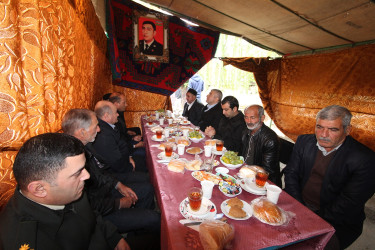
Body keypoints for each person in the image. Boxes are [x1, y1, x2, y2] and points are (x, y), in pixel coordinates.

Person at [0, 133, 129, 250]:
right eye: (77, 173)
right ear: (40, 189)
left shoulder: (71, 189)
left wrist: (114, 237)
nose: (87, 176)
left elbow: (91, 215)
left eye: (83, 168)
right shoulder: (24, 239)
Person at [62, 109, 160, 249]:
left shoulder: (86, 146)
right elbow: (88, 206)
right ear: (81, 132)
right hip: (101, 213)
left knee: (147, 188)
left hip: (105, 192)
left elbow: (101, 173)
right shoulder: (69, 160)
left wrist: (119, 185)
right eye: (95, 126)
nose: (99, 129)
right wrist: (118, 203)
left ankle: (137, 231)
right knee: (155, 219)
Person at [284, 105, 375, 249]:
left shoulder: (364, 159)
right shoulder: (304, 142)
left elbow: (349, 203)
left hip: (337, 221)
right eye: (319, 127)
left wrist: (309, 218)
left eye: (333, 129)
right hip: (298, 203)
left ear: (347, 130)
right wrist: (298, 207)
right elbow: (291, 173)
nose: (323, 134)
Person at [91, 100, 148, 173]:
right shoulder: (104, 135)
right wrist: (131, 167)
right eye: (115, 112)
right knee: (146, 162)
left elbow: (122, 143)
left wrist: (129, 156)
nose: (118, 114)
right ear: (106, 116)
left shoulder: (108, 126)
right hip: (122, 171)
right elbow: (116, 163)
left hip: (126, 158)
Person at [241, 105, 281, 187]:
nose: (248, 121)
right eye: (246, 117)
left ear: (262, 118)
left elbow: (267, 170)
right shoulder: (246, 131)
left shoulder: (270, 139)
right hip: (245, 173)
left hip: (263, 182)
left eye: (252, 118)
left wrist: (248, 170)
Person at [109, 92, 145, 158]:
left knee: (138, 132)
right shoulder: (112, 119)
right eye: (124, 102)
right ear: (116, 104)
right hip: (123, 150)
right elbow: (119, 144)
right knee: (145, 151)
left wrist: (131, 136)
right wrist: (135, 146)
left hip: (125, 142)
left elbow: (121, 132)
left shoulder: (119, 112)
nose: (126, 104)